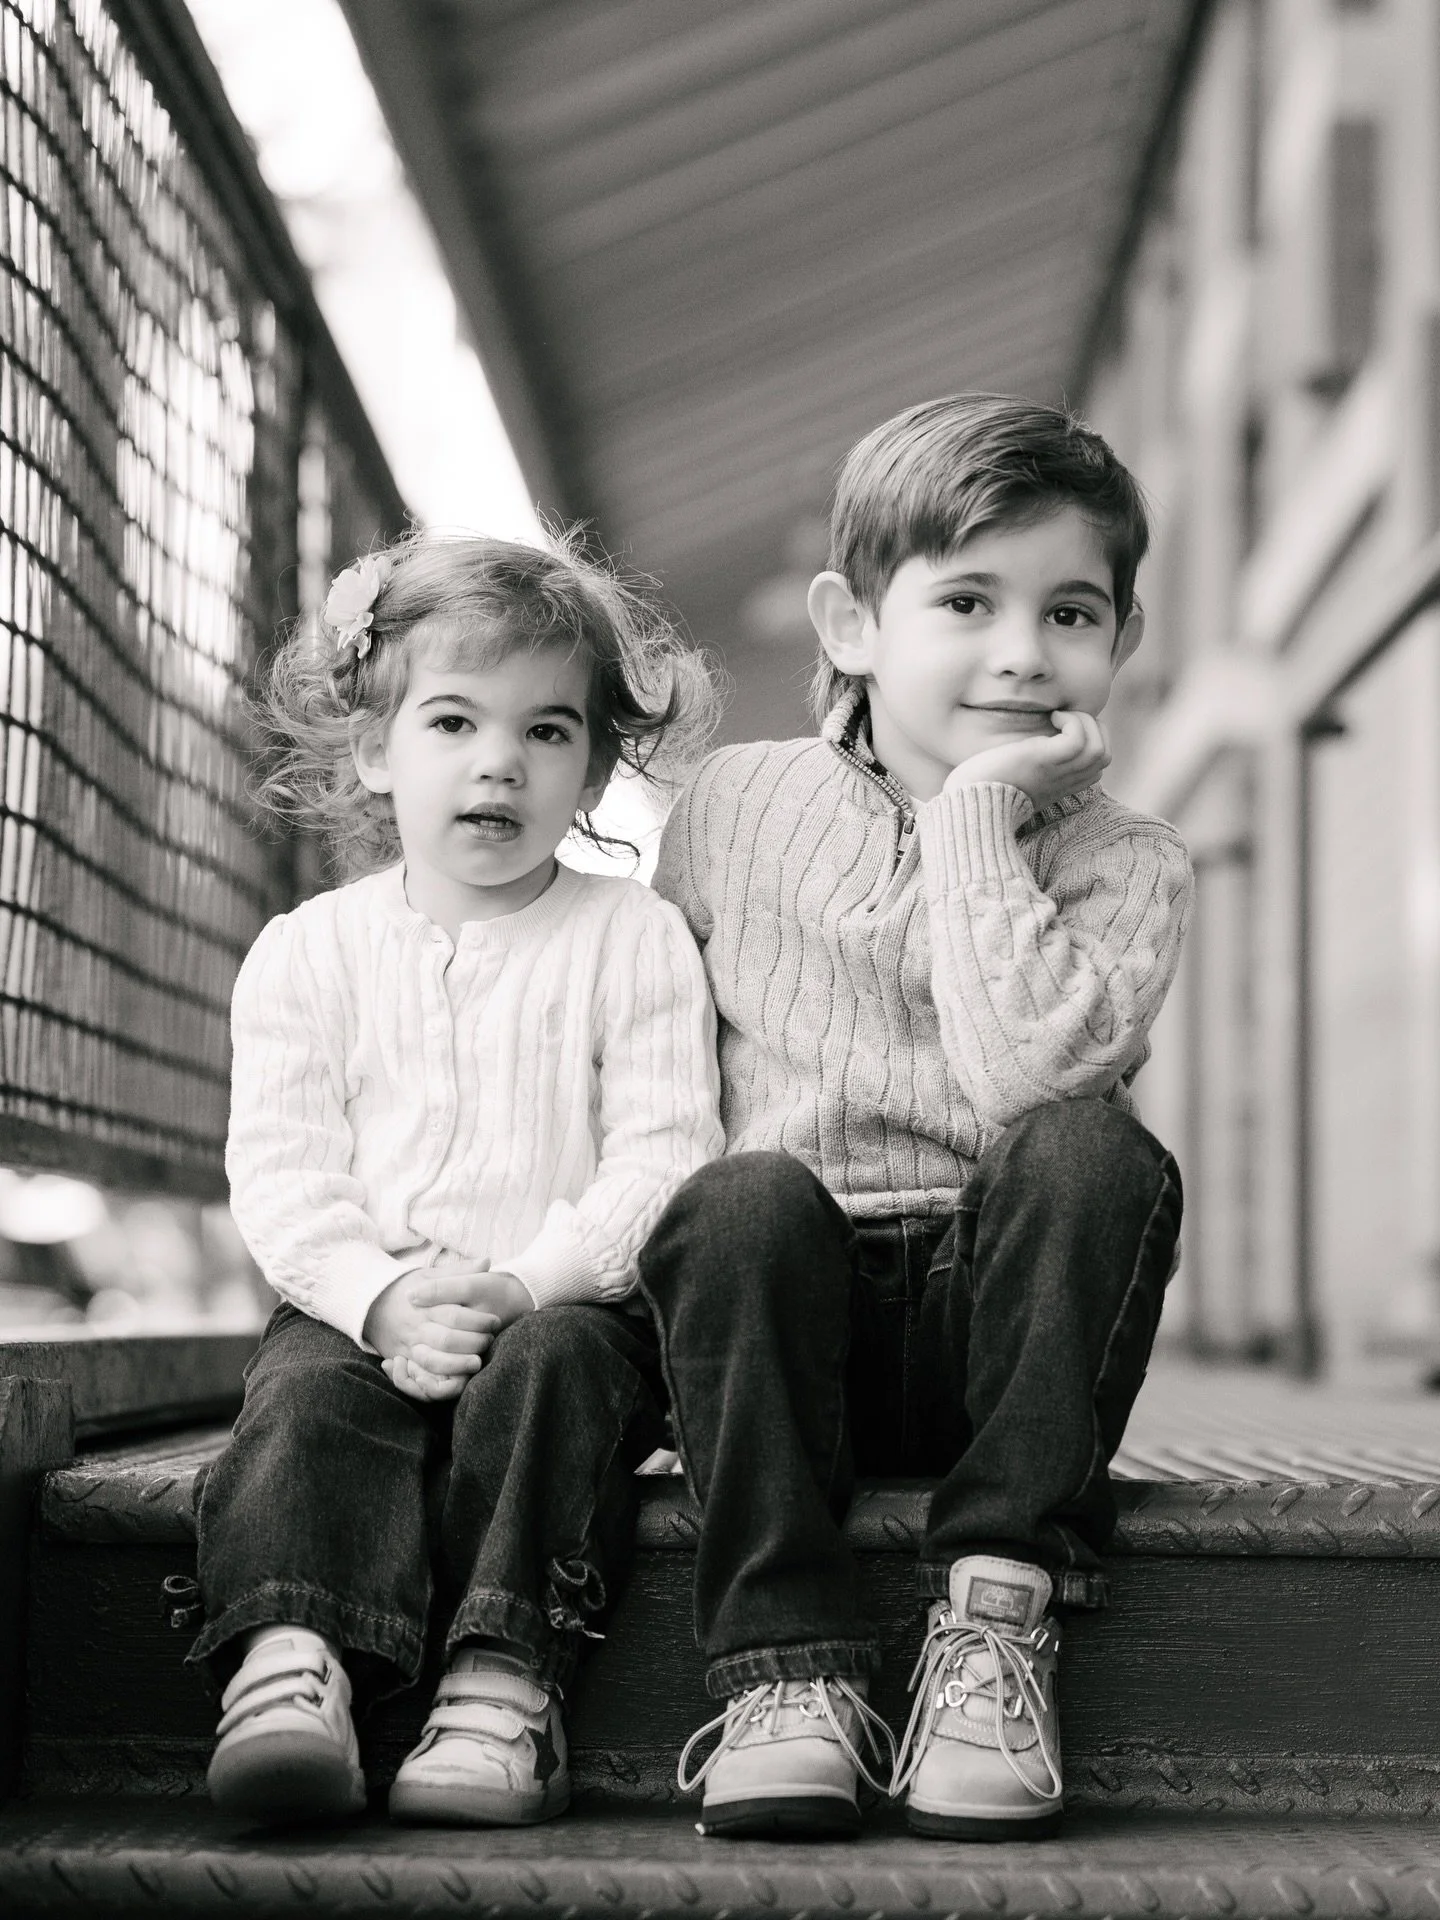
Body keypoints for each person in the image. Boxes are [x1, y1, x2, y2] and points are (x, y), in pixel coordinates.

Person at [642, 394, 1191, 1842]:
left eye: (1070, 611)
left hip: (1003, 1340)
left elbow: (1030, 1085)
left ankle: (997, 1619)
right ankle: (786, 1674)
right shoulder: (733, 805)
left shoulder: (1131, 861)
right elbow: (646, 1065)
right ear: (850, 624)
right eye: (966, 601)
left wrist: (977, 818)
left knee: (1092, 1147)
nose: (1023, 651)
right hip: (781, 1325)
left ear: (1122, 638)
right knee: (735, 1196)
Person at [190, 529, 722, 1829]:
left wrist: (525, 1284)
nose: (500, 760)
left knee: (556, 1382)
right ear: (376, 749)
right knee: (301, 1405)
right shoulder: (307, 952)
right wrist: (376, 1300)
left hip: (568, 1308)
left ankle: (502, 1680)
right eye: (453, 721)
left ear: (593, 766)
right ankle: (291, 1662)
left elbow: (667, 1157)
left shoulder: (634, 936)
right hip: (360, 1304)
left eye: (548, 730)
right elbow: (282, 1174)